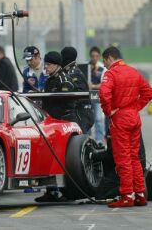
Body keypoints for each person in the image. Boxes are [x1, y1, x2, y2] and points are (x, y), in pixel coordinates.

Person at [99, 46, 152, 208]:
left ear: (109, 58)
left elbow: (103, 93)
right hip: (134, 118)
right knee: (135, 157)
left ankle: (127, 195)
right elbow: (148, 92)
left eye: (105, 62)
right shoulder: (134, 71)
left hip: (120, 118)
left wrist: (109, 112)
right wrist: (136, 108)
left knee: (123, 158)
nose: (105, 65)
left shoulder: (111, 74)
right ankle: (140, 194)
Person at [35, 51, 77, 203]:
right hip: (50, 126)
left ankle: (67, 191)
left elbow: (68, 104)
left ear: (57, 65)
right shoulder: (48, 80)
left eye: (49, 64)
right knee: (48, 157)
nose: (46, 66)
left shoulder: (64, 80)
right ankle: (51, 191)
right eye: (45, 64)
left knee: (64, 160)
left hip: (63, 125)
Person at [61, 47, 94, 133]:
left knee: (78, 140)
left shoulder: (74, 73)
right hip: (79, 113)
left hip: (81, 113)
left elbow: (80, 96)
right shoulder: (69, 71)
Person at [89, 46, 106, 143]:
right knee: (89, 118)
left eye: (96, 56)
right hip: (87, 95)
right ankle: (89, 139)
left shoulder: (102, 68)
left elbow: (103, 84)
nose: (94, 58)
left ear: (99, 56)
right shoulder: (87, 66)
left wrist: (93, 86)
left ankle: (99, 140)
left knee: (98, 118)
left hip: (96, 95)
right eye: (92, 56)